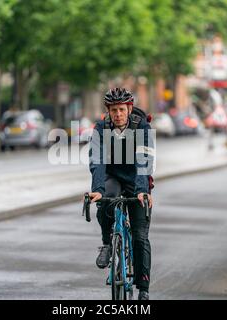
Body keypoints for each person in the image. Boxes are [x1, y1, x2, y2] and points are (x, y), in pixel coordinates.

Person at [88, 87, 155, 300]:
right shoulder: (101, 128)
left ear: (129, 109)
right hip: (113, 177)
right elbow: (97, 161)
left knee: (140, 237)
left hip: (137, 178)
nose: (118, 114)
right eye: (113, 110)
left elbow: (144, 161)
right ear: (108, 111)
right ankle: (108, 244)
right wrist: (97, 190)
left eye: (122, 110)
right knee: (106, 199)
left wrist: (143, 190)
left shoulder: (141, 127)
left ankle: (143, 289)